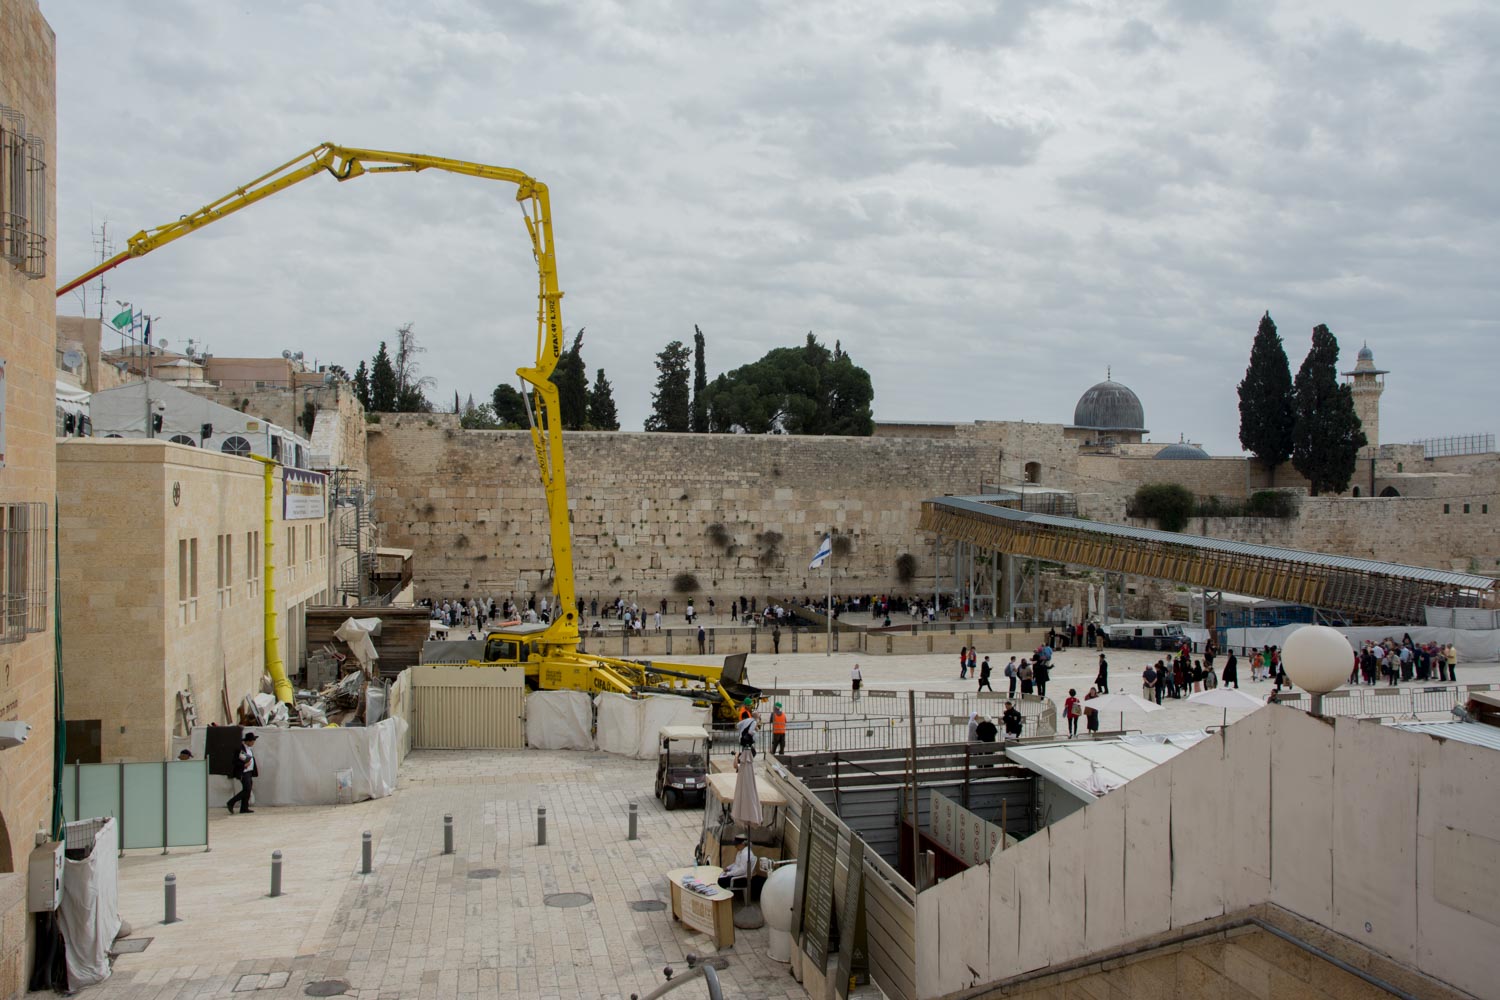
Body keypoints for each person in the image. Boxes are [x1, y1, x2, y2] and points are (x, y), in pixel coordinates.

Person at [227, 731, 259, 814]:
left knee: (248, 790)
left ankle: (244, 808)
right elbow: (235, 761)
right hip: (243, 772)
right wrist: (243, 765)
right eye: (252, 741)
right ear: (248, 741)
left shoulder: (248, 749)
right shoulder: (240, 748)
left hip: (249, 772)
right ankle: (231, 802)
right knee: (246, 789)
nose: (253, 743)